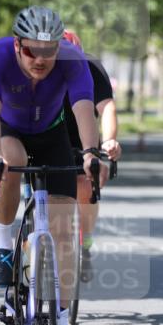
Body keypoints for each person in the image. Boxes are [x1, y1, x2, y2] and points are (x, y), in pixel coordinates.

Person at [0, 6, 104, 325]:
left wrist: (91, 153)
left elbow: (83, 108)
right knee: (9, 162)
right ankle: (3, 247)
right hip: (10, 130)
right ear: (18, 45)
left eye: (49, 51)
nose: (41, 60)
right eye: (33, 50)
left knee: (63, 232)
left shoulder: (72, 59)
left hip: (52, 134)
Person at [61, 30, 121, 283]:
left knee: (86, 185)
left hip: (81, 137)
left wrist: (109, 140)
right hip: (44, 133)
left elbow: (106, 108)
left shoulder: (91, 67)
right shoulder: (37, 68)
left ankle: (84, 244)